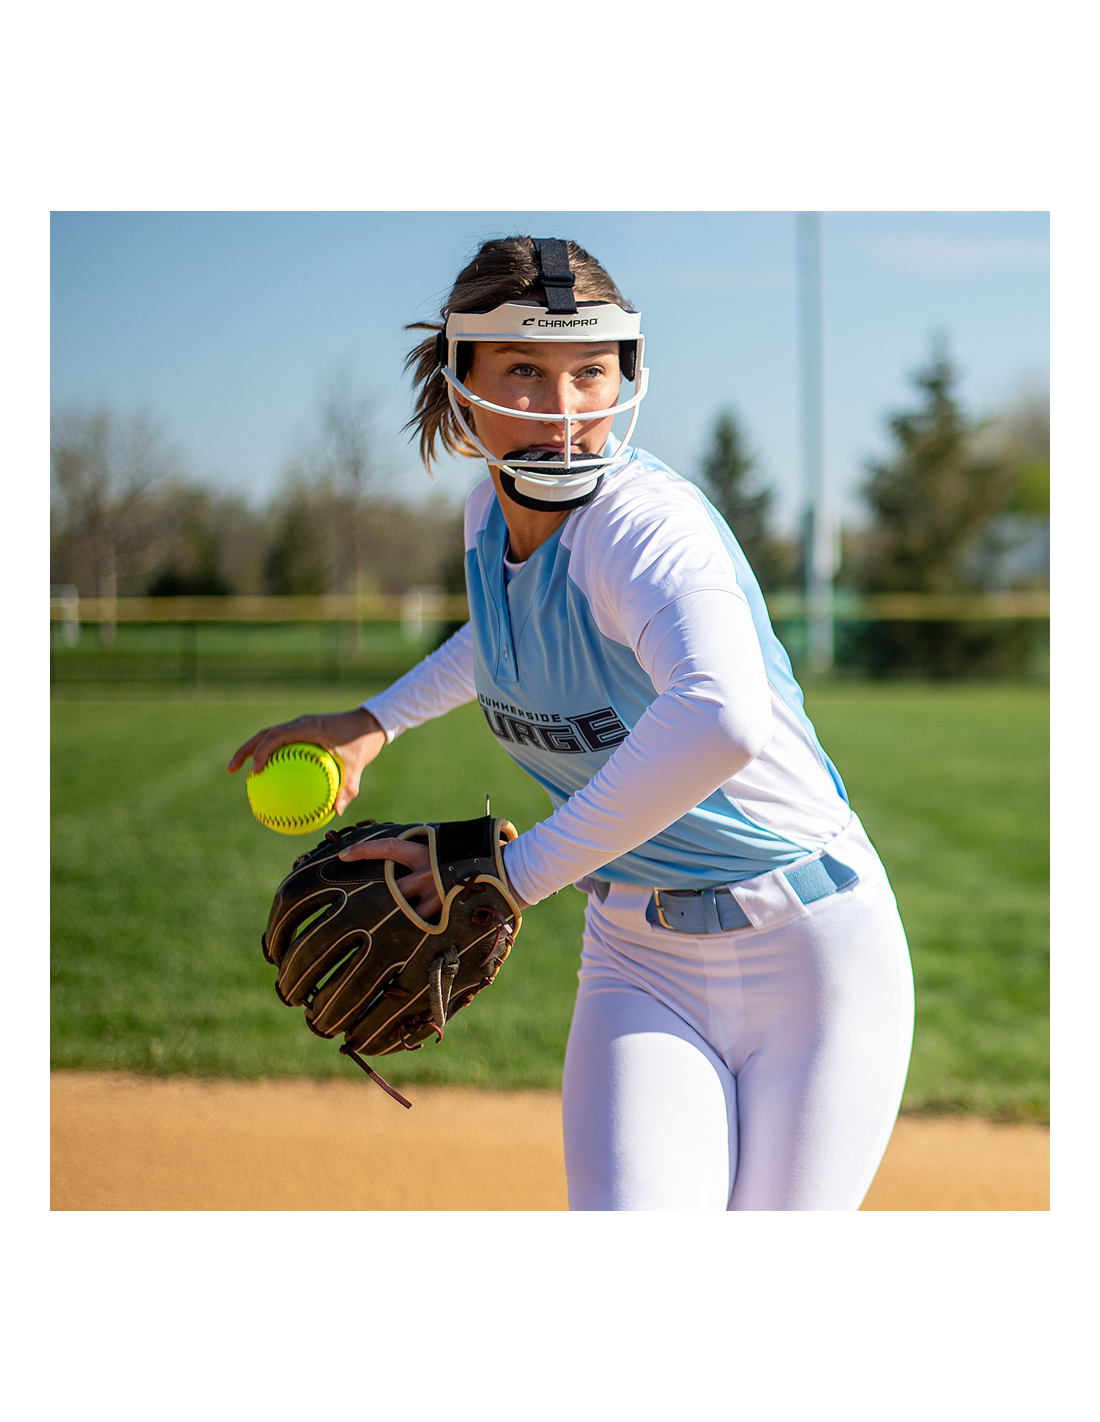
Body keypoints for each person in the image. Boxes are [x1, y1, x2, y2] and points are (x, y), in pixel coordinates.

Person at [228, 235, 914, 1211]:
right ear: (462, 383)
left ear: (624, 376)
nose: (560, 411)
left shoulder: (640, 527)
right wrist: (376, 720)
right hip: (640, 957)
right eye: (522, 369)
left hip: (810, 954)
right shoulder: (487, 517)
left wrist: (513, 874)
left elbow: (720, 717)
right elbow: (506, 635)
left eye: (590, 371)